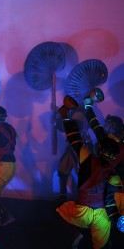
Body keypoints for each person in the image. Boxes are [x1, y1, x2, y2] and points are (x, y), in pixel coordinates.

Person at [56, 89, 123, 249]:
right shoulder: (115, 163)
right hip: (105, 210)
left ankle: (82, 232)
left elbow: (79, 137)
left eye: (108, 125)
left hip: (84, 211)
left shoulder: (89, 156)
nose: (105, 127)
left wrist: (69, 113)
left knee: (63, 210)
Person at [55, 106, 94, 205]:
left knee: (84, 174)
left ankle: (85, 198)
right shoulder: (75, 115)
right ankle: (63, 195)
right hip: (72, 147)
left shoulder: (83, 118)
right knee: (63, 169)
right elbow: (62, 127)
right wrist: (58, 116)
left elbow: (69, 126)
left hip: (82, 149)